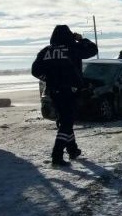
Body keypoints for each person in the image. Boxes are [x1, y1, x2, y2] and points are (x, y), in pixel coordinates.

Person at [31, 25, 98, 166]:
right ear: (69, 35)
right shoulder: (72, 49)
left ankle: (72, 150)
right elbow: (93, 49)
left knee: (64, 120)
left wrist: (48, 79)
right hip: (71, 91)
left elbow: (35, 70)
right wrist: (81, 39)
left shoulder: (46, 51)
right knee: (66, 123)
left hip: (54, 92)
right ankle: (57, 155)